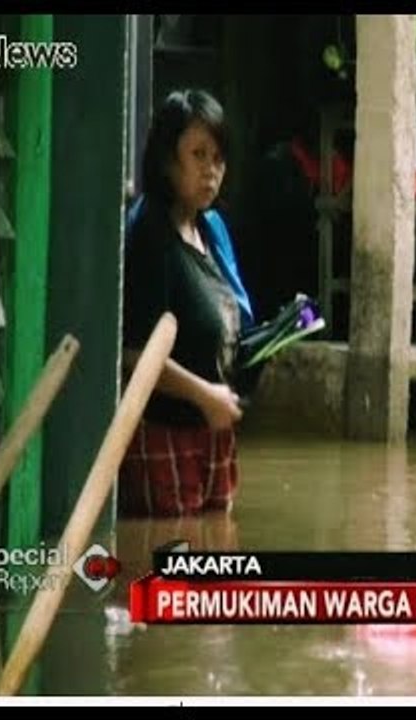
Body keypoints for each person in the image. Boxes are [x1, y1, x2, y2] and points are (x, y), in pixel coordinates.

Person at [118, 88, 252, 517]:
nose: (211, 171)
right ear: (166, 161)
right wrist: (205, 396)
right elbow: (136, 355)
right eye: (198, 155)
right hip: (167, 433)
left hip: (212, 429)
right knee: (173, 558)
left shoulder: (209, 229)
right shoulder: (150, 235)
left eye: (218, 158)